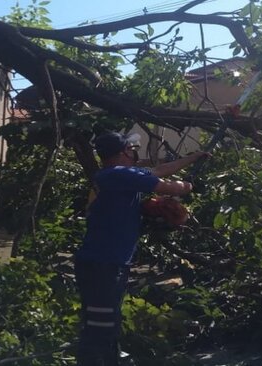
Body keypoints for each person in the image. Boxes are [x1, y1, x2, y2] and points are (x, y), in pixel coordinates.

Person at [74, 131, 209, 365]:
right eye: (131, 148)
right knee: (101, 326)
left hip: (108, 264)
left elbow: (160, 170)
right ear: (123, 151)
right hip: (102, 265)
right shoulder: (117, 175)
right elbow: (168, 186)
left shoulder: (121, 175)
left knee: (105, 323)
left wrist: (194, 157)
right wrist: (186, 186)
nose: (134, 152)